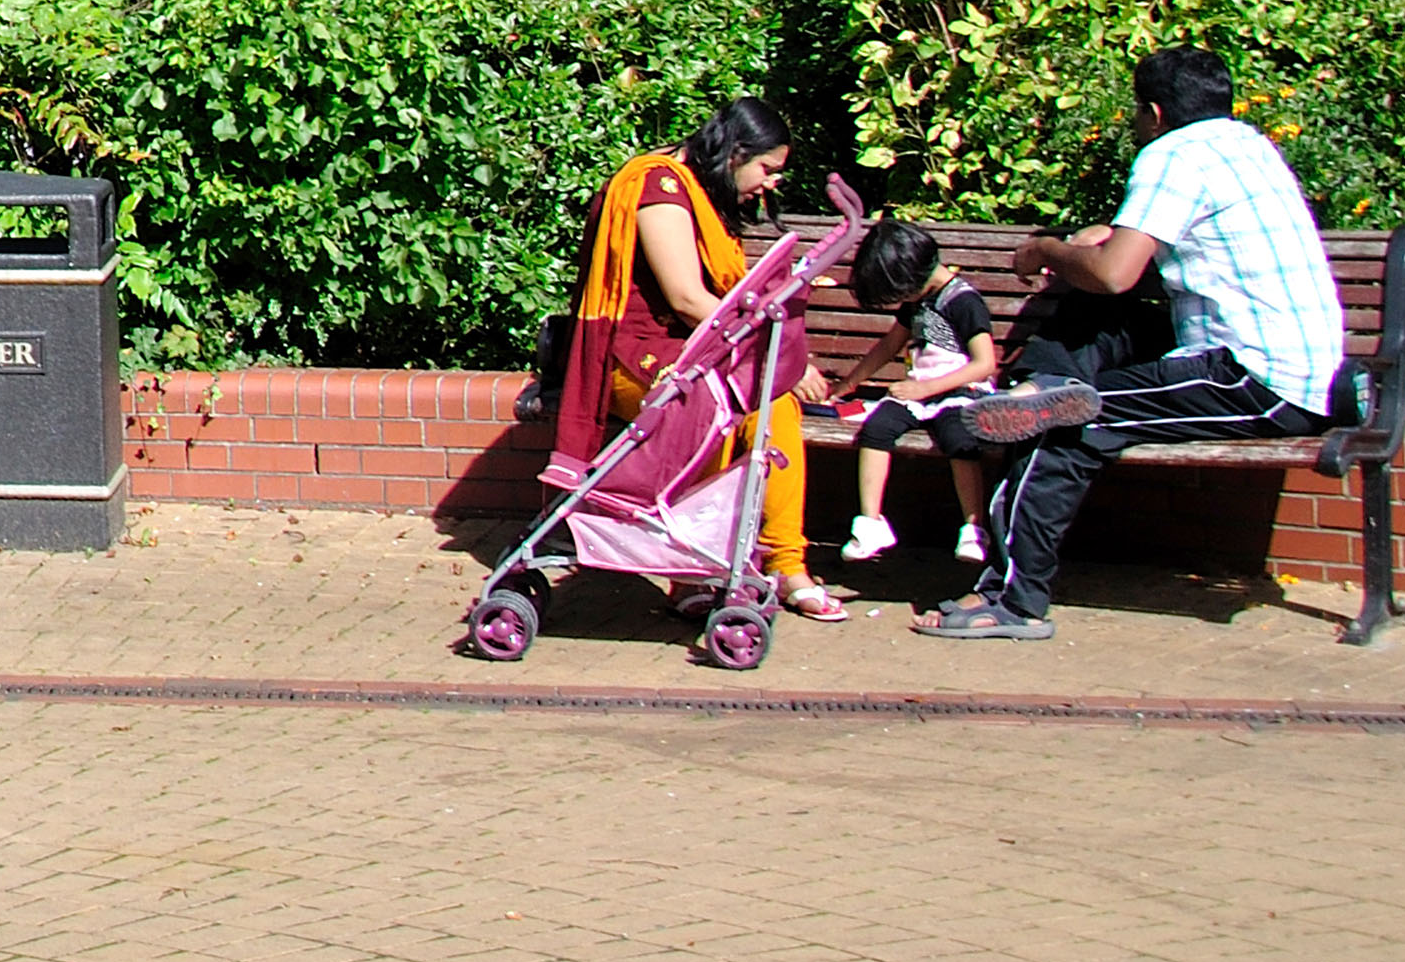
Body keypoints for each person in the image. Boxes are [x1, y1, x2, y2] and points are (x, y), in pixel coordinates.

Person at [919, 46, 1349, 642]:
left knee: (1064, 424)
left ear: (1153, 112)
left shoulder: (1171, 155)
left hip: (1255, 379)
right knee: (1086, 335)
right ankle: (1045, 385)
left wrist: (1046, 249)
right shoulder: (1247, 145)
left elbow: (1115, 274)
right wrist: (1098, 244)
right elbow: (1147, 259)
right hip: (1288, 368)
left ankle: (1013, 602)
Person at [563, 96, 848, 623]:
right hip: (633, 359)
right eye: (767, 168)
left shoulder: (703, 192)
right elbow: (687, 299)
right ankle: (695, 565)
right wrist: (772, 351)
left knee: (772, 403)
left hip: (690, 352)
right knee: (717, 404)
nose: (772, 183)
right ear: (736, 153)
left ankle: (785, 564)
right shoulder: (661, 187)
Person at [826, 216, 1000, 573]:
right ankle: (870, 523)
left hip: (960, 390)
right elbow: (890, 344)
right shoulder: (919, 302)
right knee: (876, 429)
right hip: (918, 393)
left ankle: (973, 527)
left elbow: (985, 363)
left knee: (959, 440)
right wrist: (848, 384)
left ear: (911, 279)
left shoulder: (963, 301)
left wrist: (926, 388)